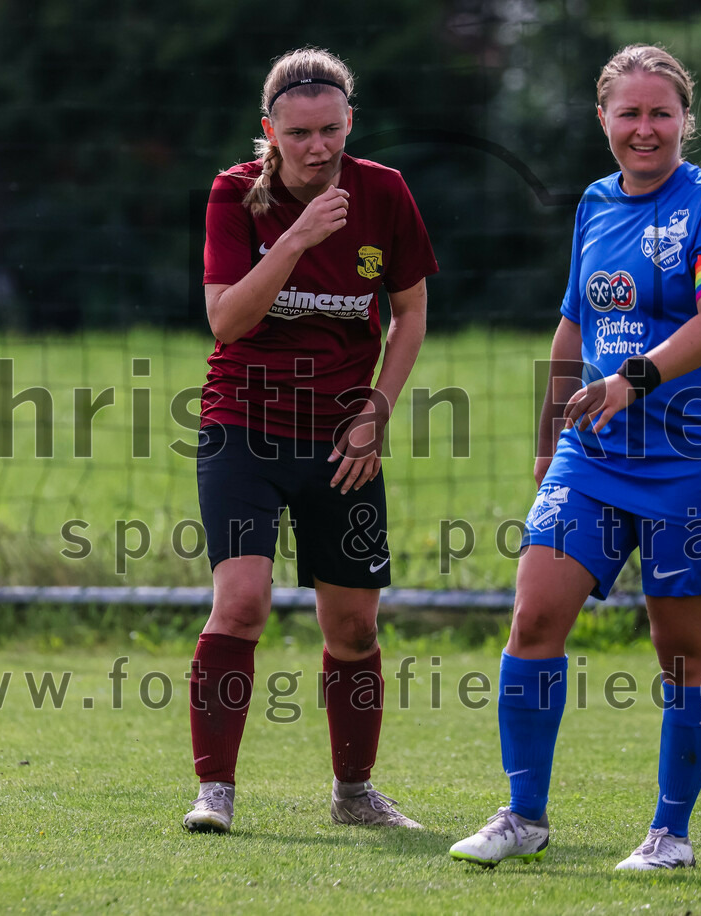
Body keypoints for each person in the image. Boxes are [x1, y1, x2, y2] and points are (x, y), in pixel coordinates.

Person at [449, 43, 701, 869]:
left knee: (680, 650)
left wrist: (633, 378)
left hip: (690, 465)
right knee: (534, 616)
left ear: (686, 120)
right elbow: (573, 325)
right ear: (603, 119)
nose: (644, 128)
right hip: (592, 458)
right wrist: (550, 439)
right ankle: (523, 816)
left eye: (661, 113)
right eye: (630, 113)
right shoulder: (594, 203)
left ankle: (670, 834)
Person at [183, 47, 438, 834]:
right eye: (299, 134)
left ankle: (354, 794)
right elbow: (226, 320)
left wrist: (377, 412)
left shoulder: (384, 192)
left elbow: (411, 313)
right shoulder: (234, 193)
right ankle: (214, 791)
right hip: (243, 427)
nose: (318, 147)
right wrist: (294, 239)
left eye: (331, 130)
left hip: (343, 440)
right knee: (242, 603)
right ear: (269, 131)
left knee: (354, 627)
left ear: (350, 121)